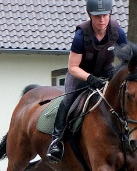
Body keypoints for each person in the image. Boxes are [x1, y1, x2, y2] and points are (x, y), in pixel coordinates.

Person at [46, 0, 127, 162]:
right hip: (80, 75)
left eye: (105, 15)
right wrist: (90, 78)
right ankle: (57, 141)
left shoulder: (117, 31)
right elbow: (73, 67)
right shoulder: (81, 35)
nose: (102, 20)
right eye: (97, 16)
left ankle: (127, 136)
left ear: (109, 14)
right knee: (68, 101)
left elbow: (125, 59)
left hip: (106, 72)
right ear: (90, 15)